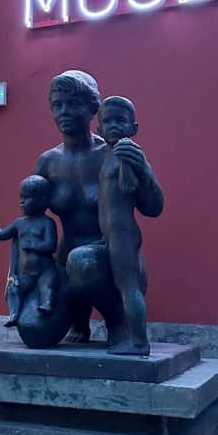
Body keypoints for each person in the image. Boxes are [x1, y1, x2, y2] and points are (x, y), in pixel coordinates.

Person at [35, 70, 163, 344]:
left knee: (82, 262)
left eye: (73, 104)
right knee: (35, 331)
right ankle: (77, 321)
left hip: (109, 259)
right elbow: (30, 218)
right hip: (65, 262)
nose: (64, 112)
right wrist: (19, 274)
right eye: (57, 105)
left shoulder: (115, 151)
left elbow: (154, 208)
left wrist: (144, 171)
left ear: (92, 109)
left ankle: (117, 321)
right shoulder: (48, 162)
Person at [97, 95, 159, 355]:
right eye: (108, 121)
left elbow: (134, 189)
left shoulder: (127, 152)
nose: (113, 126)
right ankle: (134, 338)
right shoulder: (110, 154)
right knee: (123, 285)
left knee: (128, 286)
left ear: (133, 128)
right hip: (111, 235)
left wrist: (140, 168)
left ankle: (138, 341)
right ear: (99, 129)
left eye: (120, 121)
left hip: (122, 233)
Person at [0, 175, 59, 326]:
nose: (22, 202)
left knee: (47, 287)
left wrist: (32, 244)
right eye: (21, 197)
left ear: (41, 201)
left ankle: (47, 305)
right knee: (13, 289)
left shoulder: (47, 222)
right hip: (26, 274)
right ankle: (14, 314)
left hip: (45, 271)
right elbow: (1, 234)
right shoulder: (19, 223)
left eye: (27, 198)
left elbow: (51, 246)